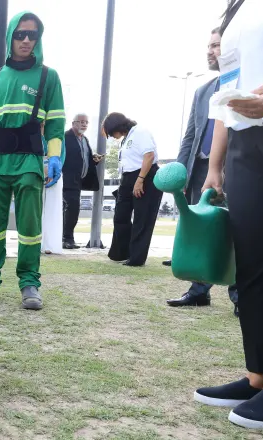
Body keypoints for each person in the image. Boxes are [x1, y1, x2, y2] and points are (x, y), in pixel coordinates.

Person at [193, 0, 263, 430]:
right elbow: (227, 90)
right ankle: (259, 374)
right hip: (246, 142)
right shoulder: (240, 8)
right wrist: (215, 166)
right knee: (253, 262)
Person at [0, 11, 65, 309]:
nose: (25, 40)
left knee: (30, 229)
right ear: (10, 36)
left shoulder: (49, 77)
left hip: (30, 162)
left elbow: (57, 123)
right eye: (20, 34)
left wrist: (54, 157)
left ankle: (30, 283)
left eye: (32, 35)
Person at [165, 28, 238, 312]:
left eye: (217, 45)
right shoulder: (203, 90)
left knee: (237, 230)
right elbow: (190, 135)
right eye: (209, 45)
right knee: (198, 230)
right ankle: (198, 290)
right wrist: (181, 174)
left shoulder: (243, 83)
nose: (210, 50)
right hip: (200, 171)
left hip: (233, 168)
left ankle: (240, 296)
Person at [102, 112, 162, 266]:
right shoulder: (127, 138)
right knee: (120, 215)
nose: (112, 136)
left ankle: (136, 258)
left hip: (145, 176)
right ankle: (121, 252)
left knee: (142, 219)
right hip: (128, 177)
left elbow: (149, 156)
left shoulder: (140, 132)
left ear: (118, 127)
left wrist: (140, 180)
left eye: (111, 132)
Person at [62, 114, 101, 249]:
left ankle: (66, 237)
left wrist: (93, 159)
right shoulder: (65, 137)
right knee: (72, 208)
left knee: (71, 209)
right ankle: (67, 238)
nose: (84, 125)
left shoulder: (84, 139)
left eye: (86, 122)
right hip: (66, 179)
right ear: (73, 123)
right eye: (81, 122)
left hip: (78, 180)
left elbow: (83, 159)